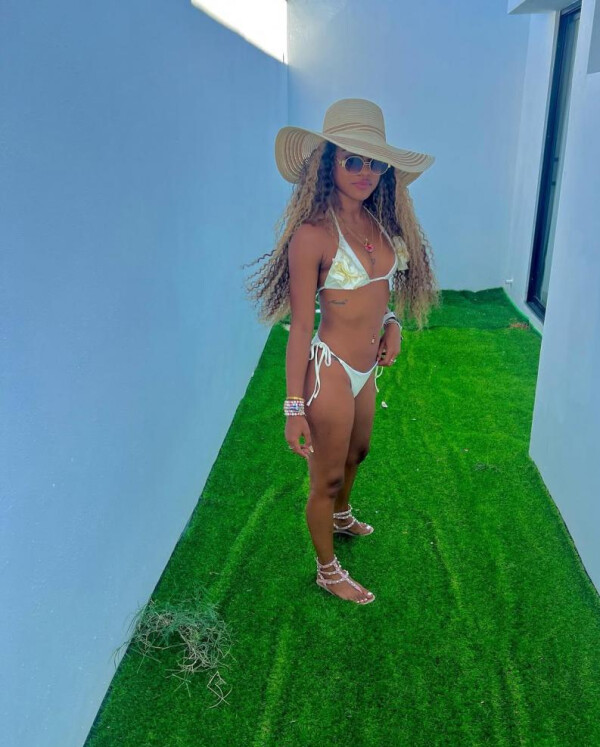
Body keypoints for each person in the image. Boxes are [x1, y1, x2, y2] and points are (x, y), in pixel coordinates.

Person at [245, 98, 440, 604]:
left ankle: (341, 516)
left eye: (375, 163)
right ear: (327, 164)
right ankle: (327, 571)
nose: (365, 173)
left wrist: (393, 324)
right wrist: (293, 407)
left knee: (359, 452)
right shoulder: (311, 236)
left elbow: (379, 294)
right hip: (329, 370)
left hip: (365, 369)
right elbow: (300, 327)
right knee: (326, 477)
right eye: (353, 160)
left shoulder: (380, 225)